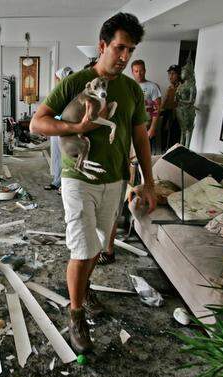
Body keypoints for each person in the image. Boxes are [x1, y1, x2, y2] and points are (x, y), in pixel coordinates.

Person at [29, 12, 157, 354]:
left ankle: (83, 288)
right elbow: (37, 124)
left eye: (130, 50)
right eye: (119, 48)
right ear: (103, 45)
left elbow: (140, 135)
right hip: (78, 177)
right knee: (82, 247)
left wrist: (148, 181)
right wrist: (75, 129)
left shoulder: (131, 89)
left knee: (98, 244)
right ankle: (75, 314)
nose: (125, 57)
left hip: (115, 180)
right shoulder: (75, 83)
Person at [44, 66, 75, 191]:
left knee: (66, 156)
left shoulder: (71, 93)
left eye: (57, 78)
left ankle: (64, 185)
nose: (56, 81)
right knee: (56, 155)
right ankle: (57, 181)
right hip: (54, 126)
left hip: (65, 127)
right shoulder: (57, 91)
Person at [130, 59, 162, 153]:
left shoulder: (152, 87)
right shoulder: (129, 86)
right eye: (136, 71)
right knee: (131, 156)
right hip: (130, 127)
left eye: (141, 70)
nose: (139, 73)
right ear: (132, 72)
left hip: (145, 126)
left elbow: (156, 109)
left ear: (145, 70)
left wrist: (152, 128)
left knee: (144, 154)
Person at [159, 64, 183, 151]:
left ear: (179, 75)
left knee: (173, 138)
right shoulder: (169, 88)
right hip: (167, 114)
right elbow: (164, 103)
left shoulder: (182, 88)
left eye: (173, 74)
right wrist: (157, 113)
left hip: (176, 117)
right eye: (169, 74)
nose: (170, 76)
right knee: (164, 135)